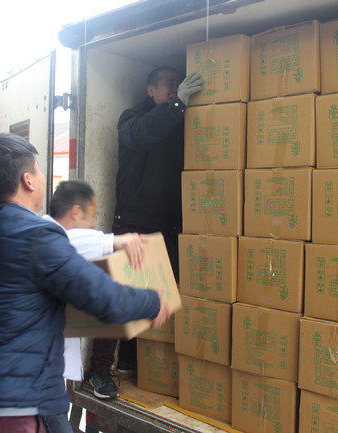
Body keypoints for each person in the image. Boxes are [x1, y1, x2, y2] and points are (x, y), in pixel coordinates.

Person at [0, 133, 170, 433]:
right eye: (39, 170)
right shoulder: (35, 236)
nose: (43, 177)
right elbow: (102, 297)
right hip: (5, 414)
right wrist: (153, 301)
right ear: (28, 180)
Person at [89, 66, 202, 398]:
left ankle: (134, 359)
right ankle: (99, 370)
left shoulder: (175, 119)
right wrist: (178, 104)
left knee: (159, 299)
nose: (175, 89)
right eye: (169, 84)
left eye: (178, 85)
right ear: (150, 90)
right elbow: (143, 134)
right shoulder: (133, 118)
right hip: (134, 222)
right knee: (119, 297)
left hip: (169, 223)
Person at [43, 179, 147, 389]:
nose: (93, 225)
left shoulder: (49, 240)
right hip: (44, 373)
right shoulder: (48, 239)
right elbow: (68, 242)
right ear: (75, 212)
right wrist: (113, 241)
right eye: (91, 217)